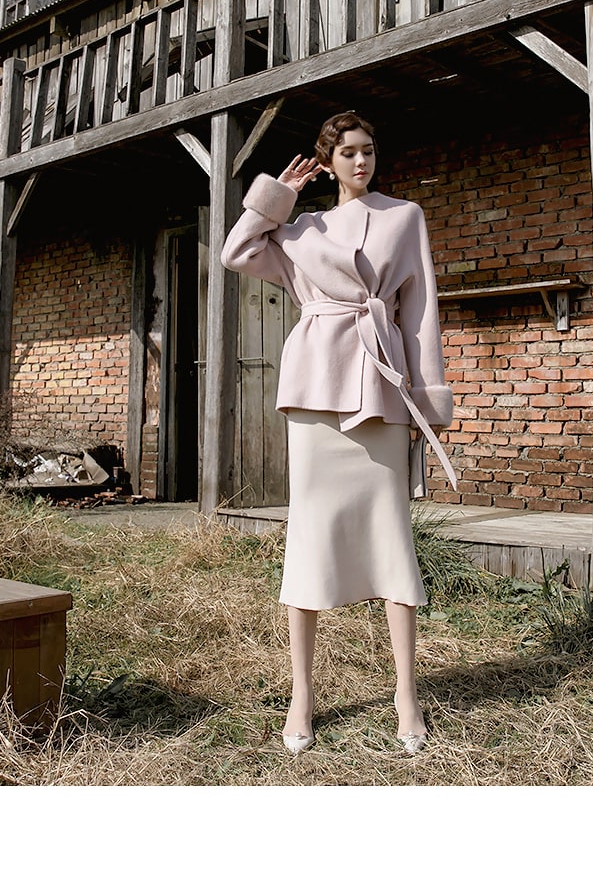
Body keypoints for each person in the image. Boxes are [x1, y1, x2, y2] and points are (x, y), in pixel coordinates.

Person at [220, 111, 456, 756]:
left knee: (391, 539)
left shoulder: (404, 217)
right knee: (309, 540)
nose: (361, 161)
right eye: (348, 152)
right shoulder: (301, 230)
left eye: (368, 150)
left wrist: (425, 403)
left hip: (381, 386)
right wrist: (277, 197)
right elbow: (235, 253)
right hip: (318, 389)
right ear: (327, 163)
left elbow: (420, 312)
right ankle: (301, 695)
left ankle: (407, 696)